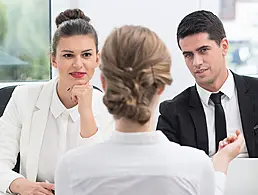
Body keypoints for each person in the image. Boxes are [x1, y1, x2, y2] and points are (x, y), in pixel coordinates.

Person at [55, 25, 244, 195]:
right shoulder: (195, 166)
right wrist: (221, 162)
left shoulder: (71, 168)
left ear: (104, 83)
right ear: (161, 86)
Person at [0, 8, 114, 195]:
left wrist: (85, 111)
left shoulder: (110, 109)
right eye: (68, 55)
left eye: (86, 55)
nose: (78, 64)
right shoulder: (23, 98)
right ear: (53, 59)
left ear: (96, 58)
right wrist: (21, 185)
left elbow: (101, 179)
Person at [157, 10, 258, 158]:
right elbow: (168, 173)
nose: (196, 62)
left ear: (224, 46)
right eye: (188, 55)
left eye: (203, 50)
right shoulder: (172, 113)